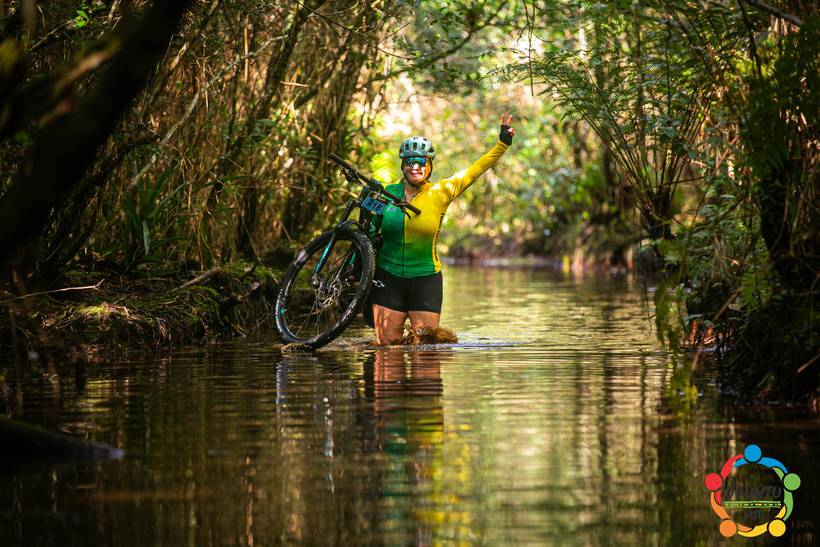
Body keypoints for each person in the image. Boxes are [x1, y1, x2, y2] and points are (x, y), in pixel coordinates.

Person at [370, 114, 516, 345]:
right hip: (388, 278)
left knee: (426, 351)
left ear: (429, 165)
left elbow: (474, 170)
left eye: (421, 161)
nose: (415, 166)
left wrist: (502, 145)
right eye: (409, 161)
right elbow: (368, 233)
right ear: (403, 165)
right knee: (388, 350)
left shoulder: (442, 191)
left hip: (425, 278)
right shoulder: (386, 193)